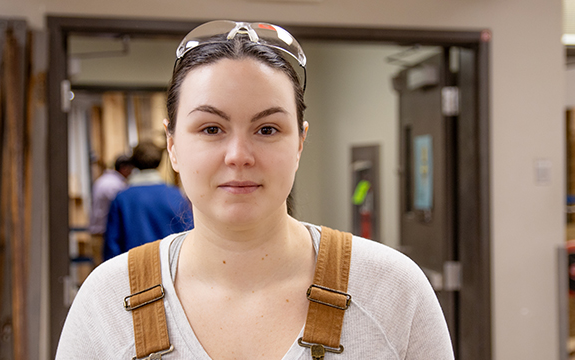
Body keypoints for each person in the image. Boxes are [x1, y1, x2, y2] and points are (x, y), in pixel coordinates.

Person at [57, 21, 454, 359]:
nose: (238, 155)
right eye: (211, 129)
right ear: (173, 145)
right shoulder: (107, 302)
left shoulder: (393, 292)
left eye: (267, 129)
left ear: (299, 143)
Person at [103, 140, 193, 261]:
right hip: (170, 269)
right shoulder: (175, 195)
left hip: (132, 269)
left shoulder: (122, 198)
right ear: (159, 162)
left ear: (133, 163)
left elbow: (112, 244)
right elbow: (189, 235)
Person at [88, 155, 134, 264]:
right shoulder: (114, 185)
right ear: (124, 168)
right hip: (103, 235)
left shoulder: (106, 180)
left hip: (100, 233)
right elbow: (123, 209)